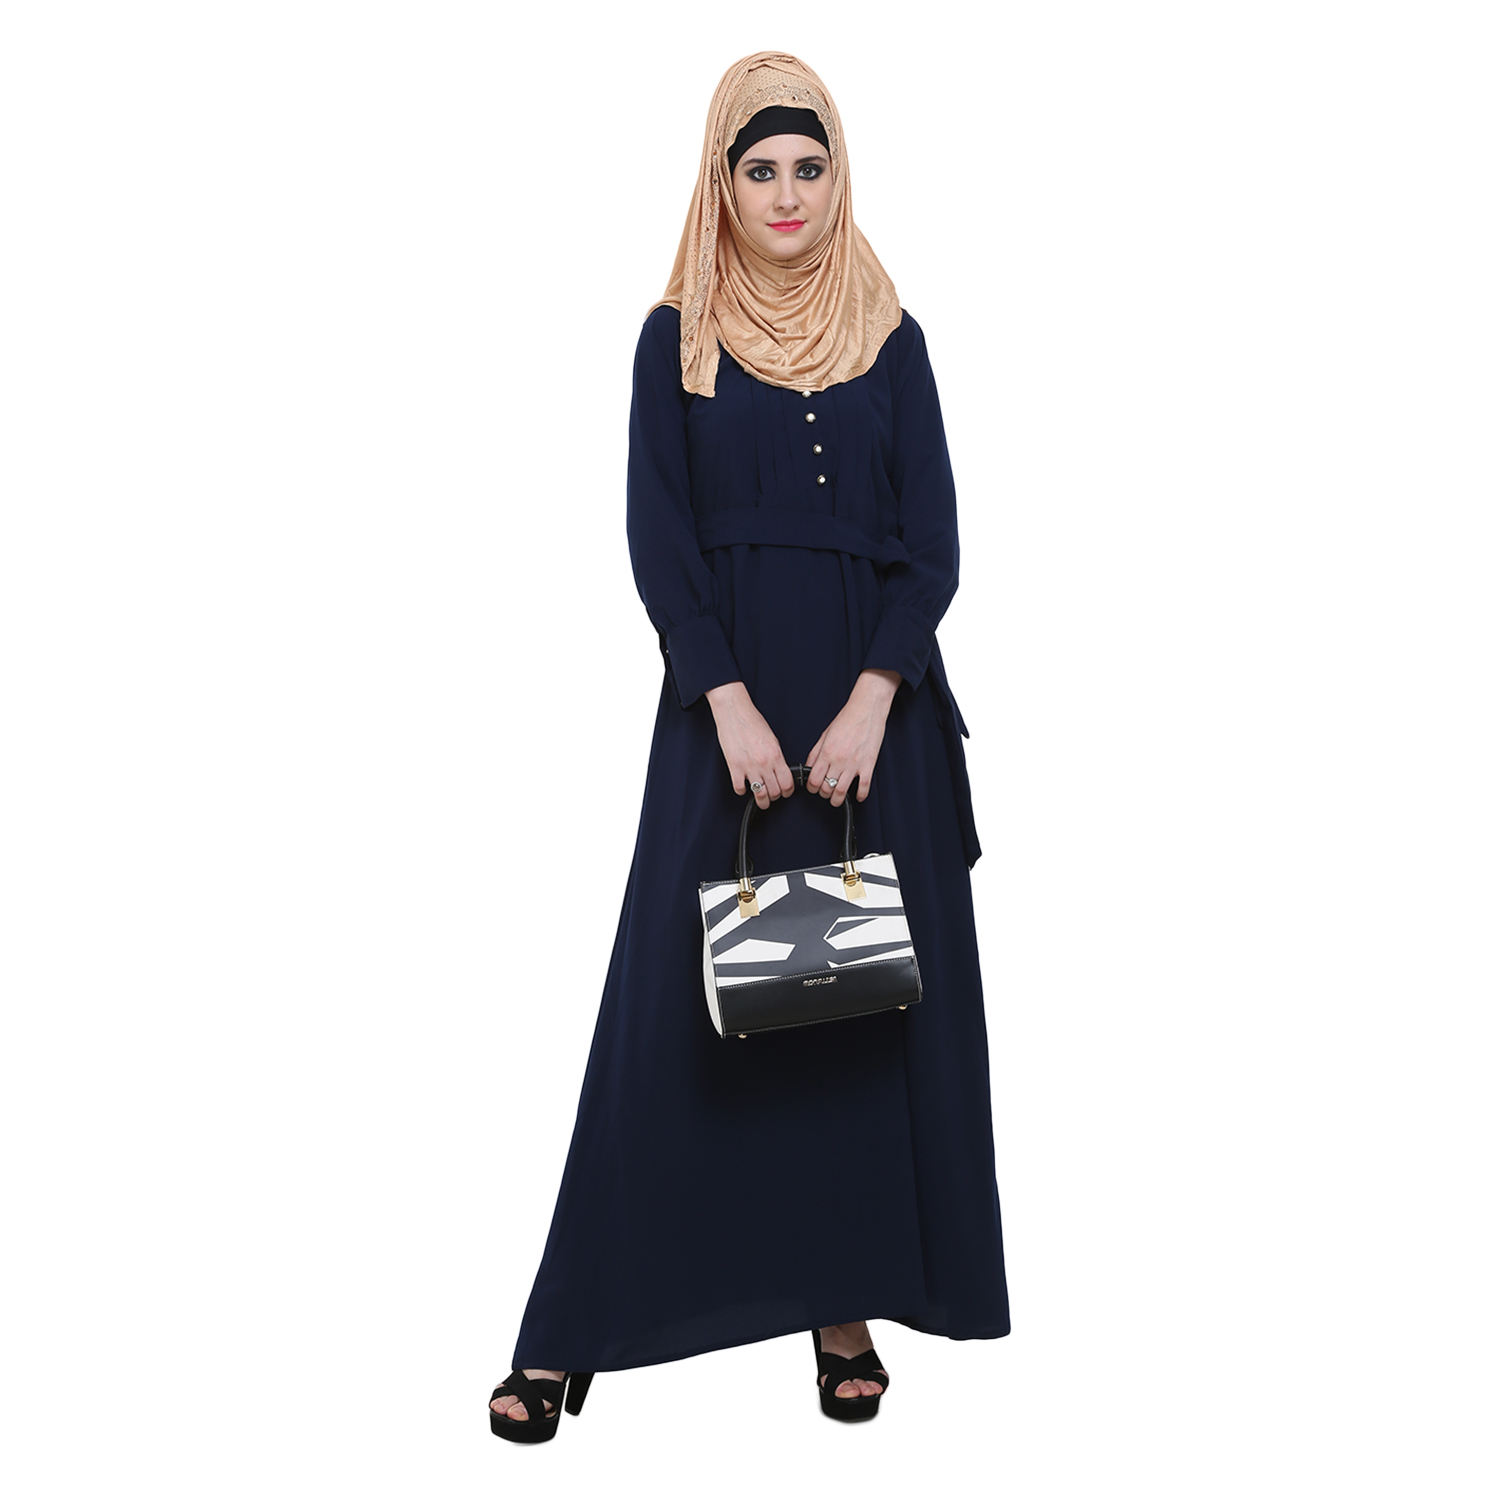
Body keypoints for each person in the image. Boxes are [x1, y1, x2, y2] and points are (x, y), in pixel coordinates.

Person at [489, 51, 1010, 1443]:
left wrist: (872, 698)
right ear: (720, 185)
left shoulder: (893, 338)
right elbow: (658, 540)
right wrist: (723, 698)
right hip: (721, 717)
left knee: (853, 1016)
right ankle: (573, 1326)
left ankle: (843, 1311)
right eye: (759, 170)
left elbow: (934, 546)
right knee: (670, 1021)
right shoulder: (676, 340)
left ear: (841, 177)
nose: (787, 195)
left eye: (810, 167)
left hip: (873, 728)